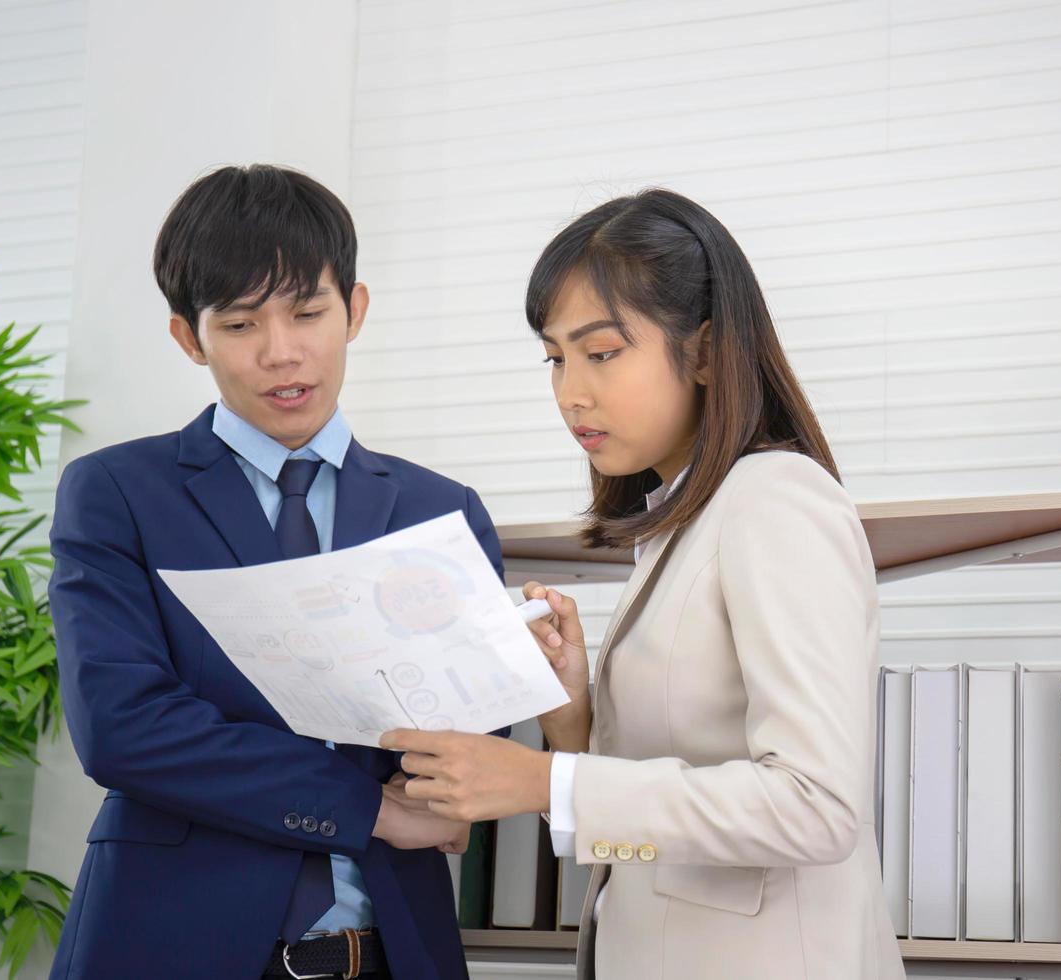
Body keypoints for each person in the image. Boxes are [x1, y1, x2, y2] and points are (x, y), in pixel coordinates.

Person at [381, 188, 907, 978]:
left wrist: (544, 780)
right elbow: (670, 794)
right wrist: (572, 715)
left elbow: (815, 806)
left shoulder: (776, 500)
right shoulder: (685, 519)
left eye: (601, 353)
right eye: (555, 358)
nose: (570, 393)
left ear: (702, 350)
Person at [47, 164, 497, 979]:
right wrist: (368, 809)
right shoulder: (116, 493)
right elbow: (122, 726)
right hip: (168, 942)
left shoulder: (443, 510)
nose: (282, 352)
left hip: (391, 950)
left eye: (308, 312)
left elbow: (473, 729)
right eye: (242, 324)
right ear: (190, 336)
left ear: (354, 311)